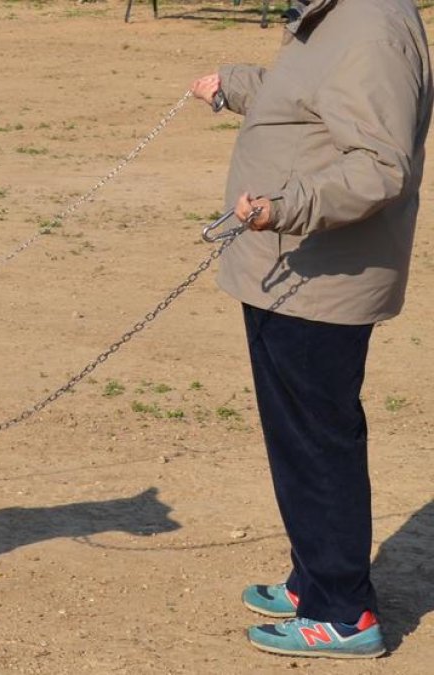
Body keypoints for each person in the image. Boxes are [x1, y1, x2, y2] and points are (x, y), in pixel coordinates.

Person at [189, 0, 431, 660]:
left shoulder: (374, 25)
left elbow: (381, 163)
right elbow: (307, 102)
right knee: (296, 438)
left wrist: (285, 206)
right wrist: (235, 86)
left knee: (317, 442)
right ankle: (315, 576)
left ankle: (343, 613)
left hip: (319, 283)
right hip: (288, 272)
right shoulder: (334, 15)